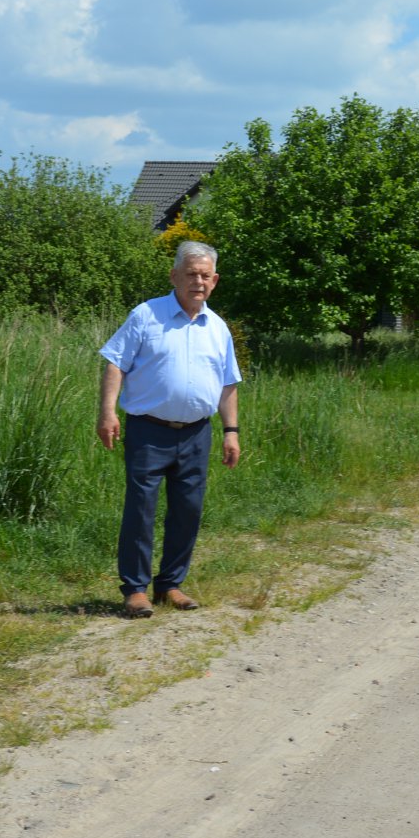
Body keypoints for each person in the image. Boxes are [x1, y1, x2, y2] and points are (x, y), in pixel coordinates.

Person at [97, 241, 242, 619]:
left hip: (197, 434)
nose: (198, 282)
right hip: (149, 431)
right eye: (191, 274)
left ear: (215, 281)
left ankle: (170, 584)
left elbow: (228, 383)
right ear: (174, 276)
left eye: (205, 276)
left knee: (188, 511)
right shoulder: (146, 315)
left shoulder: (218, 328)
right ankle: (135, 589)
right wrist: (107, 412)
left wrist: (231, 431)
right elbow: (115, 363)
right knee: (141, 510)